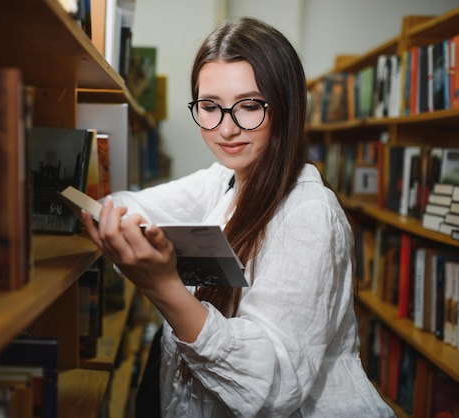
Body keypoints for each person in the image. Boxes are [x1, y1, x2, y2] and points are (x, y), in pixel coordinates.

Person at [80, 16, 396, 418]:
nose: (226, 129)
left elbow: (274, 389)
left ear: (286, 107)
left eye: (248, 106)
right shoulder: (225, 179)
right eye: (210, 107)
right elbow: (131, 204)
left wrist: (163, 286)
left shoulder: (309, 214)